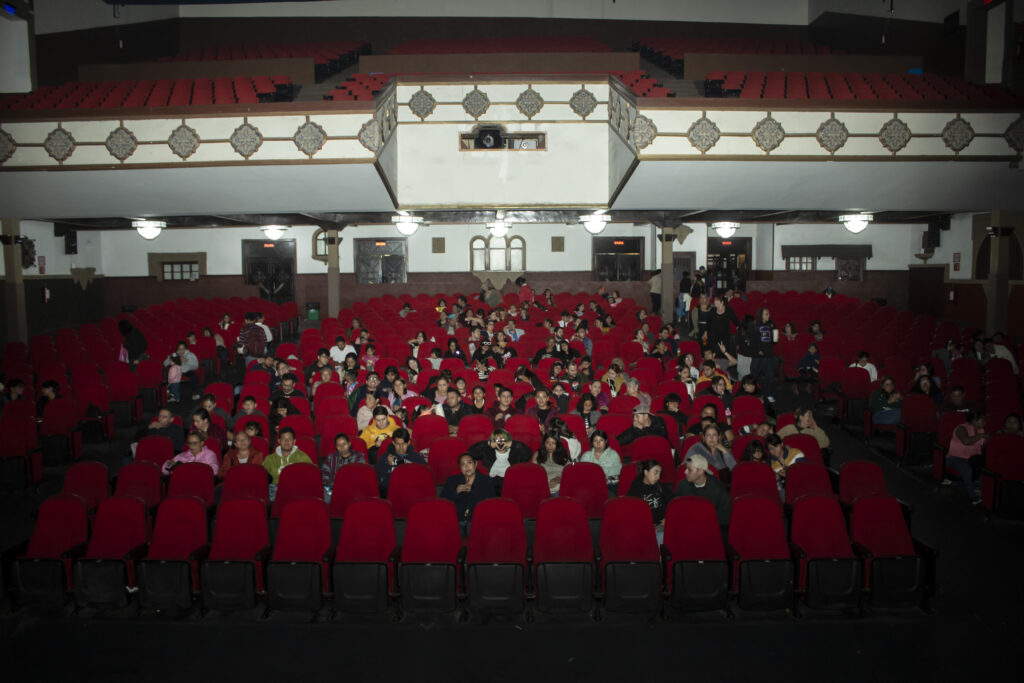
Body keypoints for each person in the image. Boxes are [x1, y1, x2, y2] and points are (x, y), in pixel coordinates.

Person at [441, 453, 496, 537]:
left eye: (469, 462)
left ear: (475, 464)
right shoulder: (452, 480)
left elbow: (490, 504)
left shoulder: (487, 481)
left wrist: (472, 491)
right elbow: (443, 502)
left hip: (476, 521)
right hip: (456, 520)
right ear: (460, 468)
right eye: (463, 464)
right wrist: (456, 492)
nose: (466, 467)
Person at [673, 453, 731, 527]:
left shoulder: (718, 488)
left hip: (710, 527)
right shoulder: (682, 485)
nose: (685, 472)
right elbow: (676, 510)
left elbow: (726, 516)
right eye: (686, 468)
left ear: (701, 471)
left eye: (689, 470)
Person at [944, 411, 988, 503]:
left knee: (985, 466)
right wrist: (981, 436)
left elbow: (983, 444)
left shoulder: (981, 429)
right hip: (955, 458)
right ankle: (973, 496)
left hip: (972, 458)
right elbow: (966, 441)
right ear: (973, 420)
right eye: (982, 419)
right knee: (966, 468)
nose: (985, 421)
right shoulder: (961, 428)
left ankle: (979, 489)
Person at [262, 427, 314, 494]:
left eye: (289, 439)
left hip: (297, 490)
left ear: (294, 441)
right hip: (275, 490)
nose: (286, 441)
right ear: (279, 441)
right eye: (284, 439)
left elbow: (310, 477)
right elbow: (262, 477)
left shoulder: (302, 457)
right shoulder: (270, 459)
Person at [627, 459, 668, 543]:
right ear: (646, 472)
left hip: (661, 525)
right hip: (643, 527)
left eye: (659, 473)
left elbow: (672, 502)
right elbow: (631, 514)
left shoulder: (660, 486)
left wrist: (668, 518)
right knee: (660, 536)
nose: (658, 477)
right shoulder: (635, 489)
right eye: (655, 473)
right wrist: (648, 526)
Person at [319, 433, 366, 500]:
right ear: (336, 447)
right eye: (339, 445)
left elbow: (362, 477)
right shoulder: (331, 458)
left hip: (353, 489)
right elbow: (324, 475)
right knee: (325, 495)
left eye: (344, 444)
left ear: (349, 444)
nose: (342, 447)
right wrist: (335, 486)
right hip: (333, 488)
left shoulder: (359, 458)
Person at [750, 306, 778, 405]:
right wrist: (758, 351)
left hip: (768, 355)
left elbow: (774, 341)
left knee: (769, 376)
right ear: (761, 315)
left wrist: (774, 333)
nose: (768, 316)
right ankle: (753, 394)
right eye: (766, 314)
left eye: (769, 314)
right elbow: (752, 341)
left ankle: (768, 394)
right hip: (758, 356)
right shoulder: (755, 326)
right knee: (754, 376)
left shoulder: (771, 325)